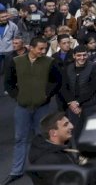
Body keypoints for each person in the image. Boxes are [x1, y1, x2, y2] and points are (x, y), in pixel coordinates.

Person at [3, 37, 62, 185]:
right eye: (40, 49)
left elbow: (57, 81)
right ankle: (16, 171)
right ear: (31, 48)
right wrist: (18, 97)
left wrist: (47, 96)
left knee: (41, 137)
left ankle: (41, 169)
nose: (43, 51)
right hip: (22, 107)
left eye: (44, 48)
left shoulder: (49, 62)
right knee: (20, 138)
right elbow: (8, 83)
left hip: (42, 106)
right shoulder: (16, 61)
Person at [27, 112, 82, 185]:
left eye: (69, 122)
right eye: (66, 125)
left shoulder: (57, 147)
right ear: (53, 133)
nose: (72, 126)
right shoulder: (50, 162)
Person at [60, 45, 96, 137]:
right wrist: (71, 103)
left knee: (91, 133)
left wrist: (78, 102)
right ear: (74, 56)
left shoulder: (93, 67)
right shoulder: (68, 68)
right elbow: (64, 87)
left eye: (84, 55)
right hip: (72, 107)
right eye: (79, 55)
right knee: (74, 132)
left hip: (89, 105)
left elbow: (93, 88)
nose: (82, 58)